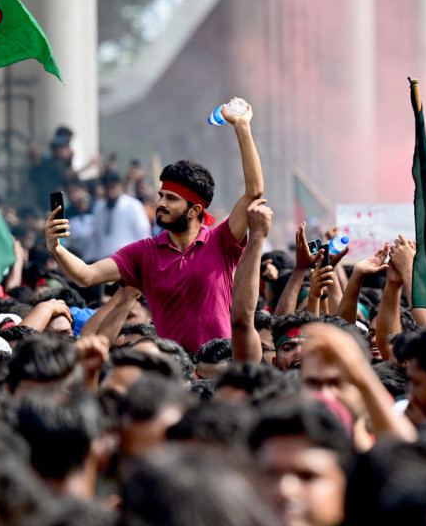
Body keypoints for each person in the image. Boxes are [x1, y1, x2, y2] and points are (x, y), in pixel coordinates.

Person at [45, 102, 263, 352]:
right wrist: (56, 248)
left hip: (218, 367)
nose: (160, 203)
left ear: (194, 210)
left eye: (171, 198)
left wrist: (242, 126)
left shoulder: (221, 241)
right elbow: (86, 275)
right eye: (161, 195)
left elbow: (254, 191)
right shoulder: (143, 253)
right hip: (172, 369)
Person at [89, 170, 151, 260]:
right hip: (104, 259)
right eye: (107, 189)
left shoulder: (133, 205)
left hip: (128, 258)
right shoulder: (99, 207)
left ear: (120, 186)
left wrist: (145, 256)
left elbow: (143, 230)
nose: (110, 192)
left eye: (113, 188)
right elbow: (95, 237)